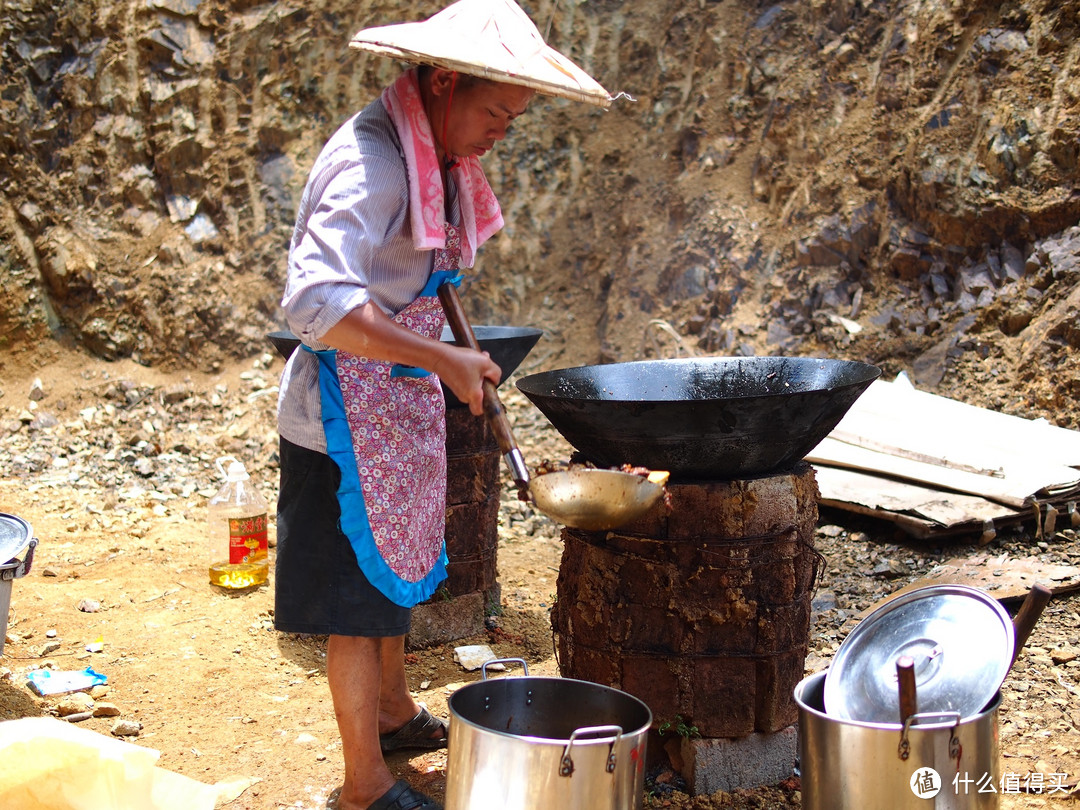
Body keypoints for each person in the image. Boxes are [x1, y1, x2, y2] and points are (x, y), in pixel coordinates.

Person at [273, 2, 612, 809]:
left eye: (514, 116)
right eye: (495, 111)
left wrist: (447, 343)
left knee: (387, 572)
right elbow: (314, 300)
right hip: (339, 420)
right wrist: (441, 358)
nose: (502, 129)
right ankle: (363, 784)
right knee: (356, 607)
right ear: (444, 81)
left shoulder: (425, 153)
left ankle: (392, 711)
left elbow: (428, 272)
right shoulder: (373, 164)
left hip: (388, 399)